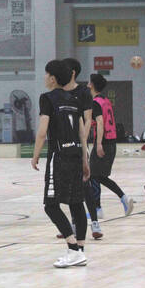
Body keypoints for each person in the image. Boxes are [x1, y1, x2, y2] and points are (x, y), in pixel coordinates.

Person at [31, 60, 90, 268]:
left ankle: (73, 248)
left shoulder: (47, 98)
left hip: (59, 156)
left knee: (50, 205)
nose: (45, 77)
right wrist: (85, 159)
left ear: (53, 78)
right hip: (76, 154)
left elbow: (42, 131)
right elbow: (82, 133)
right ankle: (80, 251)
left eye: (46, 74)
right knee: (76, 203)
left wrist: (35, 155)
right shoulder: (74, 99)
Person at [61, 58, 102, 239]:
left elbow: (87, 119)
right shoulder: (58, 92)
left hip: (79, 144)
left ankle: (95, 223)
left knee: (85, 186)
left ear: (72, 72)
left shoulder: (84, 92)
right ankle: (73, 224)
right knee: (69, 188)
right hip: (63, 146)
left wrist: (82, 142)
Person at [87, 73, 135, 218]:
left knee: (93, 175)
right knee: (98, 176)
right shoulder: (105, 100)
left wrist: (98, 144)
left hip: (103, 142)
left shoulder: (96, 102)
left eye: (89, 82)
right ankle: (111, 203)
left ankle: (100, 208)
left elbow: (100, 123)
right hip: (111, 142)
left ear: (92, 85)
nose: (87, 84)